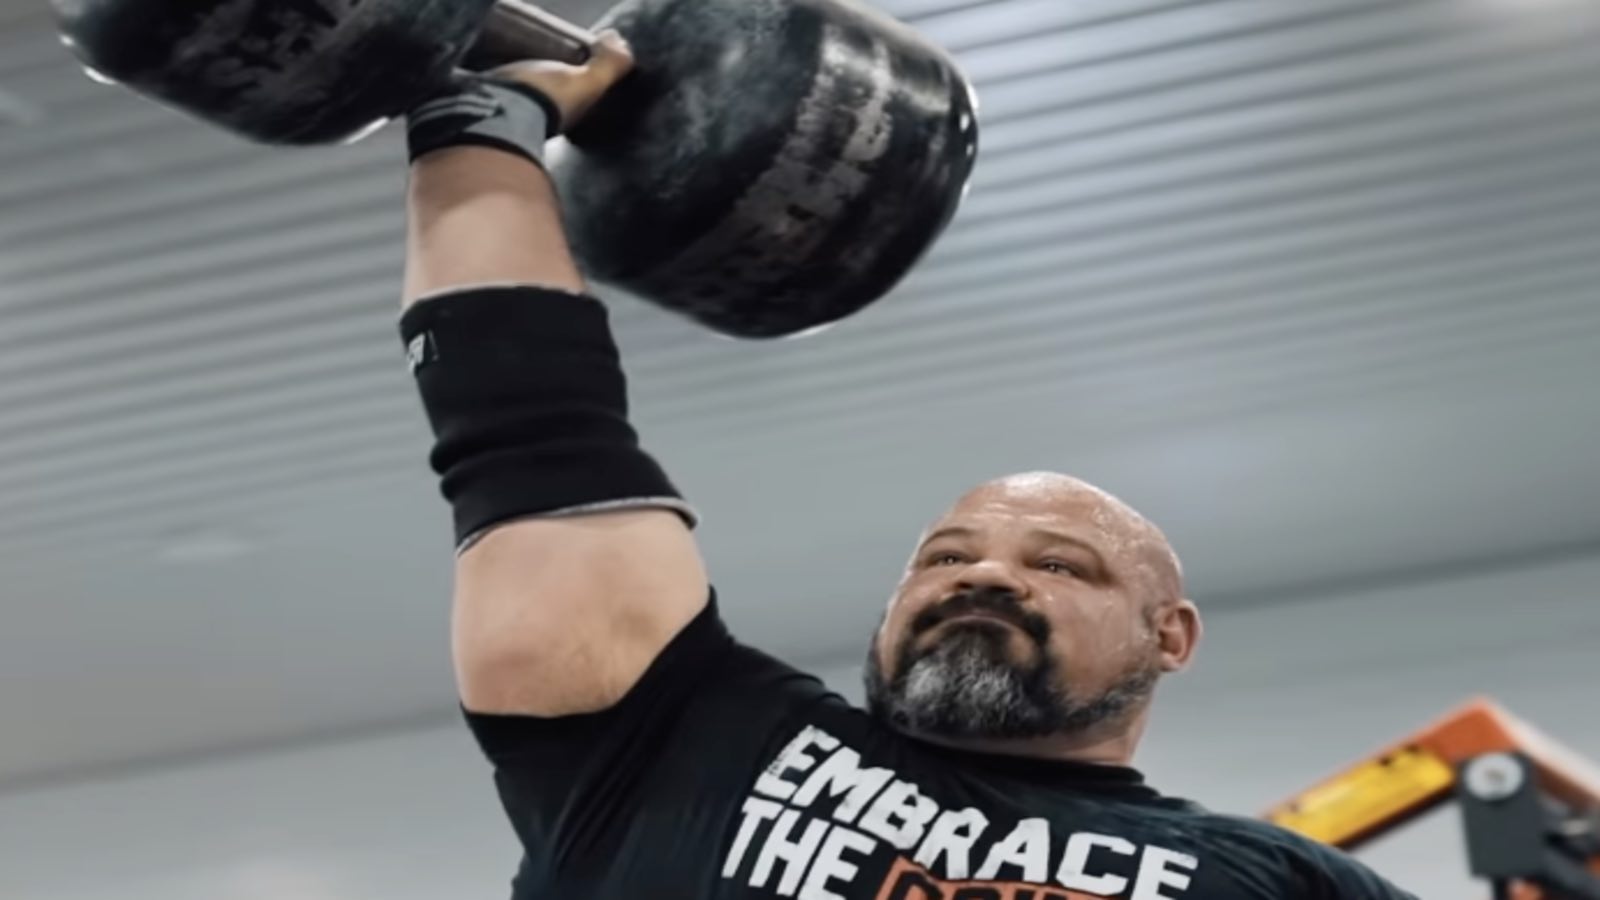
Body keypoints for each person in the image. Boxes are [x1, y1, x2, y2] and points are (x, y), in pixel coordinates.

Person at [397, 32, 1418, 900]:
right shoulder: (685, 734)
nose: (982, 575)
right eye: (941, 558)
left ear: (1172, 636)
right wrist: (482, 123)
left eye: (1060, 565)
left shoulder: (1266, 879)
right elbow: (525, 420)